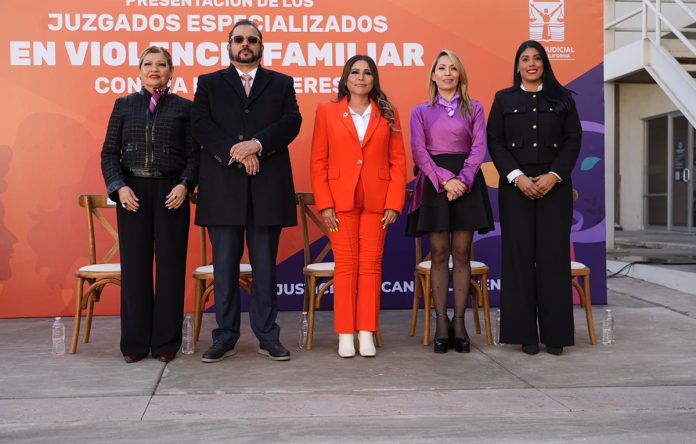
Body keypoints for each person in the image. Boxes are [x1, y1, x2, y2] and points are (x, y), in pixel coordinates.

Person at [192, 19, 302, 363]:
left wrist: (257, 144)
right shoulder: (209, 82)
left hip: (267, 191)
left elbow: (291, 122)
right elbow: (200, 124)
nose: (245, 44)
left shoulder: (281, 83)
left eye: (251, 40)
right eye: (238, 39)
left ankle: (268, 337)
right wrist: (236, 152)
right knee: (224, 269)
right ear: (229, 45)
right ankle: (224, 337)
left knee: (265, 269)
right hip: (223, 190)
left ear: (261, 46)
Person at [101, 46, 199, 363]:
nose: (154, 69)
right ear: (139, 70)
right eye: (148, 64)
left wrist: (185, 184)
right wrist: (119, 187)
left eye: (161, 64)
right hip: (133, 194)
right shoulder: (124, 105)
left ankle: (166, 343)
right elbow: (109, 153)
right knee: (135, 270)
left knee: (171, 270)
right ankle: (134, 344)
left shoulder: (185, 108)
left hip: (172, 194)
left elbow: (194, 155)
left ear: (171, 72)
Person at [487, 40, 582, 356]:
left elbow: (573, 140)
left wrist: (554, 175)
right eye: (525, 59)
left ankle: (556, 334)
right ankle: (524, 334)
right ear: (517, 65)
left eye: (537, 58)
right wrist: (517, 177)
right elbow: (495, 142)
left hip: (555, 187)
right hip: (516, 188)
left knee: (554, 259)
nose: (531, 64)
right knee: (519, 259)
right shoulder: (503, 99)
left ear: (544, 64)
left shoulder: (563, 98)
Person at [310, 55, 406, 358]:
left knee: (371, 265)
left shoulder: (388, 112)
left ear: (374, 79)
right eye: (355, 72)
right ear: (345, 78)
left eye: (367, 73)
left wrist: (394, 202)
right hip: (340, 200)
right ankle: (344, 334)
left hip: (378, 200)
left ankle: (366, 332)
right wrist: (325, 204)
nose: (361, 77)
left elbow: (398, 161)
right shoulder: (327, 111)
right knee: (346, 265)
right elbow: (318, 161)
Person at [406, 50, 494, 354]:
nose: (447, 73)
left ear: (460, 75)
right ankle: (441, 323)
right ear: (433, 75)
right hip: (435, 183)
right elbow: (419, 151)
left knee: (461, 254)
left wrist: (463, 180)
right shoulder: (420, 110)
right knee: (440, 253)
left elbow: (479, 148)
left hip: (467, 183)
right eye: (441, 68)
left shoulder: (475, 107)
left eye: (453, 68)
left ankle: (459, 323)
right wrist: (446, 180)